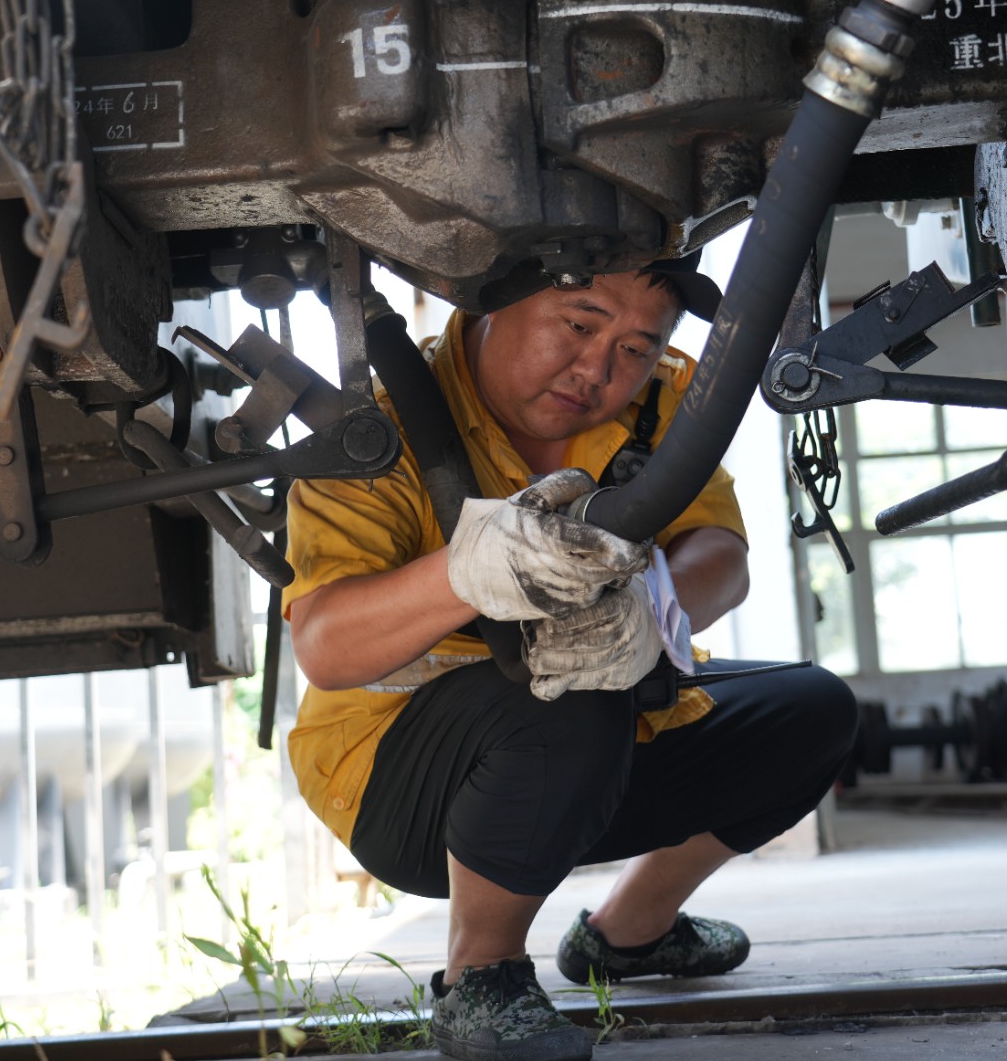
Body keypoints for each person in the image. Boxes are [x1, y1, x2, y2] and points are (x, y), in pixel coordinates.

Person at [283, 259, 857, 1061]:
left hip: (589, 751)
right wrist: (464, 574)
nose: (599, 370)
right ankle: (480, 981)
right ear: (491, 303)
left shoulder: (659, 401)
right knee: (571, 695)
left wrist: (649, 607)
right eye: (580, 325)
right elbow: (325, 646)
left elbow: (722, 552)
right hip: (405, 791)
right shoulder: (377, 434)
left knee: (814, 713)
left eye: (634, 346)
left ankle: (628, 935)